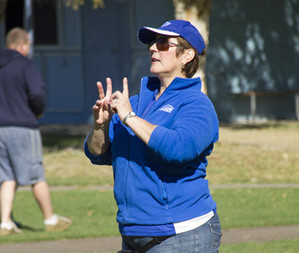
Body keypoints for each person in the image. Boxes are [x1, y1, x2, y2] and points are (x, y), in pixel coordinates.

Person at [85, 20, 221, 252]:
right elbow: (98, 155)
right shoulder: (136, 103)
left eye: (163, 43)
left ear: (187, 55)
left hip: (181, 234)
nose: (152, 48)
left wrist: (129, 118)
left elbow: (178, 148)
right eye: (151, 43)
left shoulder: (197, 105)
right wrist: (101, 126)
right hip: (132, 233)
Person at [0, 27, 72, 235]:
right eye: (28, 46)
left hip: (1, 128)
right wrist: (37, 111)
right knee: (35, 174)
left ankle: (4, 222)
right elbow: (36, 95)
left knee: (7, 176)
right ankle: (50, 219)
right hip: (23, 126)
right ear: (22, 45)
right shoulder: (25, 66)